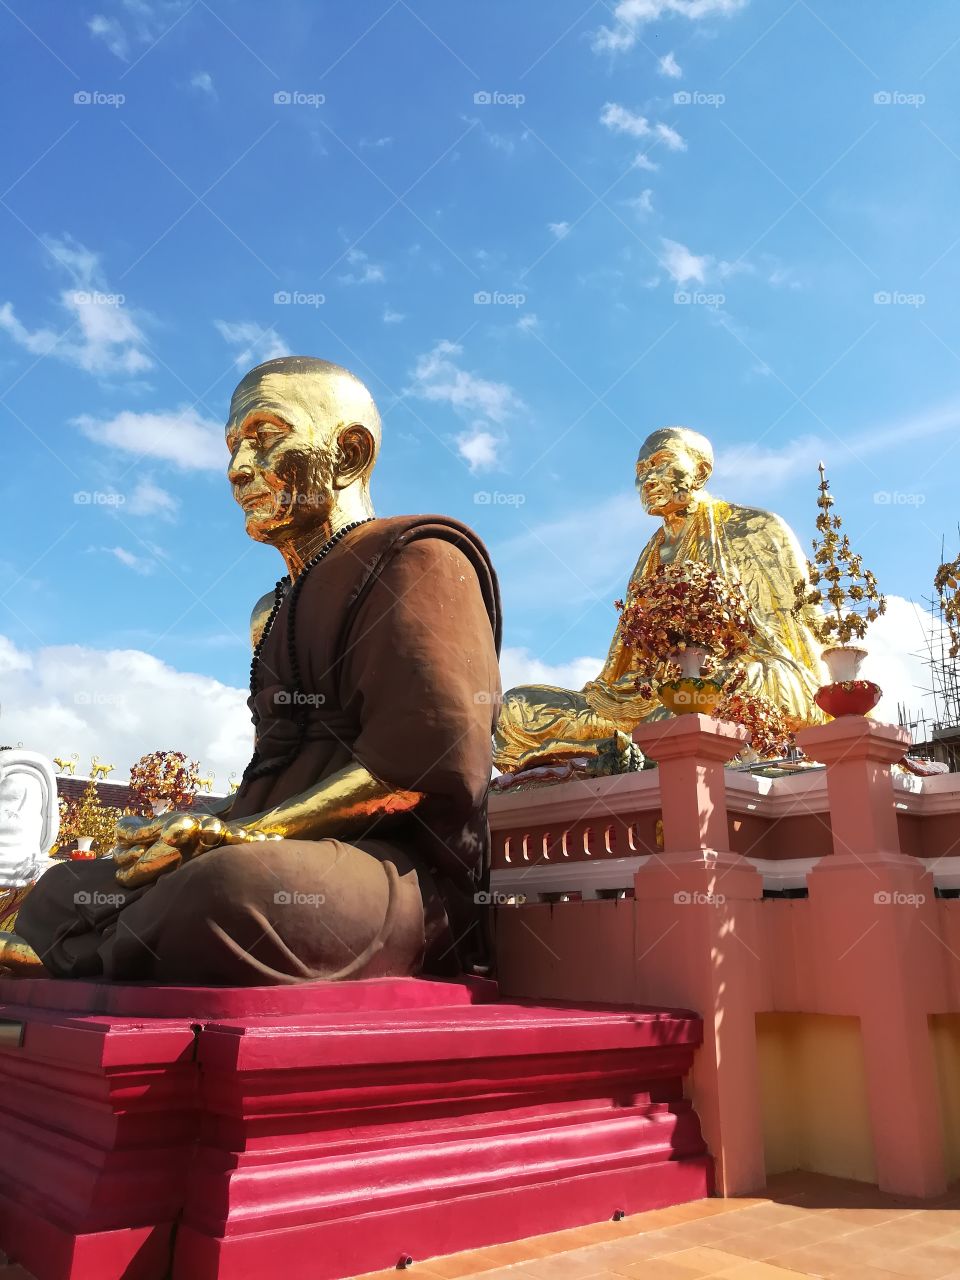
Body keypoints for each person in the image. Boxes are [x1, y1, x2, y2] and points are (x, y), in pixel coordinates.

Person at [5, 357, 501, 984]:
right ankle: (81, 951)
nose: (239, 470)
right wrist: (192, 827)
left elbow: (425, 765)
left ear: (347, 454)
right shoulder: (275, 613)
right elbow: (273, 772)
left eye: (266, 438)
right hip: (276, 844)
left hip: (396, 875)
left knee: (229, 888)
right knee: (66, 884)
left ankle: (79, 960)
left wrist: (254, 835)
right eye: (234, 447)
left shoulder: (419, 559)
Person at [494, 426, 824, 775]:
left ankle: (617, 747)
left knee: (729, 687)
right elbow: (626, 666)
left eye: (661, 463)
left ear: (701, 471)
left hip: (725, 679)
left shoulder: (755, 528)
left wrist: (709, 662)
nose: (648, 479)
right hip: (643, 697)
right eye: (640, 473)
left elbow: (797, 646)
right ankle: (618, 745)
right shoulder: (649, 554)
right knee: (515, 709)